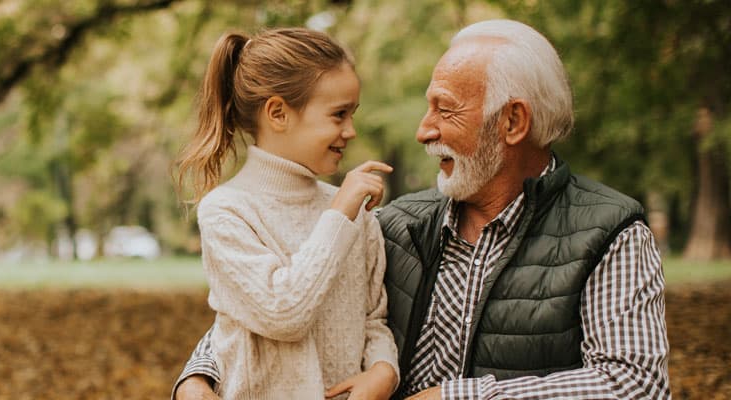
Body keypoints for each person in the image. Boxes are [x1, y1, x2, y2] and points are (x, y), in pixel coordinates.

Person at [174, 19, 670, 400]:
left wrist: (463, 395)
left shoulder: (609, 233)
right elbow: (271, 301)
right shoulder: (398, 224)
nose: (423, 130)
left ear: (513, 121)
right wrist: (199, 375)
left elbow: (636, 384)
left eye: (445, 108)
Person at [172, 27, 400, 400]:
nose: (351, 131)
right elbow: (284, 314)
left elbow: (373, 319)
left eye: (353, 113)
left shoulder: (355, 213)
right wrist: (339, 215)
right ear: (278, 113)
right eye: (338, 115)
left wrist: (382, 369)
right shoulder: (227, 211)